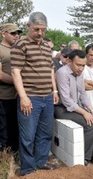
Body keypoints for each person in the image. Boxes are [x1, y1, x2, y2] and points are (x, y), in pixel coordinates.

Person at [11, 12, 59, 175]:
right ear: (28, 26)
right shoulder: (21, 44)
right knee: (28, 136)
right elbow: (15, 71)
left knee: (45, 134)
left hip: (47, 97)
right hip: (30, 97)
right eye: (37, 29)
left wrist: (54, 90)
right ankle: (28, 169)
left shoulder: (46, 46)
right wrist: (23, 97)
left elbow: (51, 69)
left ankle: (40, 161)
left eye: (43, 30)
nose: (40, 33)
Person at [0, 23, 22, 152]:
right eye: (13, 33)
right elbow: (0, 75)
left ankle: (15, 155)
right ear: (3, 34)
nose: (16, 36)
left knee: (15, 128)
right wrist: (18, 82)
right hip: (3, 97)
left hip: (18, 97)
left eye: (18, 33)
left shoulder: (17, 49)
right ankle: (5, 159)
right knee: (4, 129)